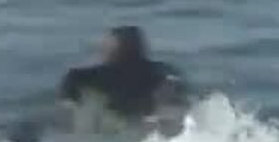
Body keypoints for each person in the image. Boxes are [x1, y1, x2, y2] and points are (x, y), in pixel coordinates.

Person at [57, 26, 190, 135]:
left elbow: (69, 92)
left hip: (116, 121)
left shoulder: (87, 75)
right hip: (141, 120)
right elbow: (177, 86)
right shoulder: (161, 71)